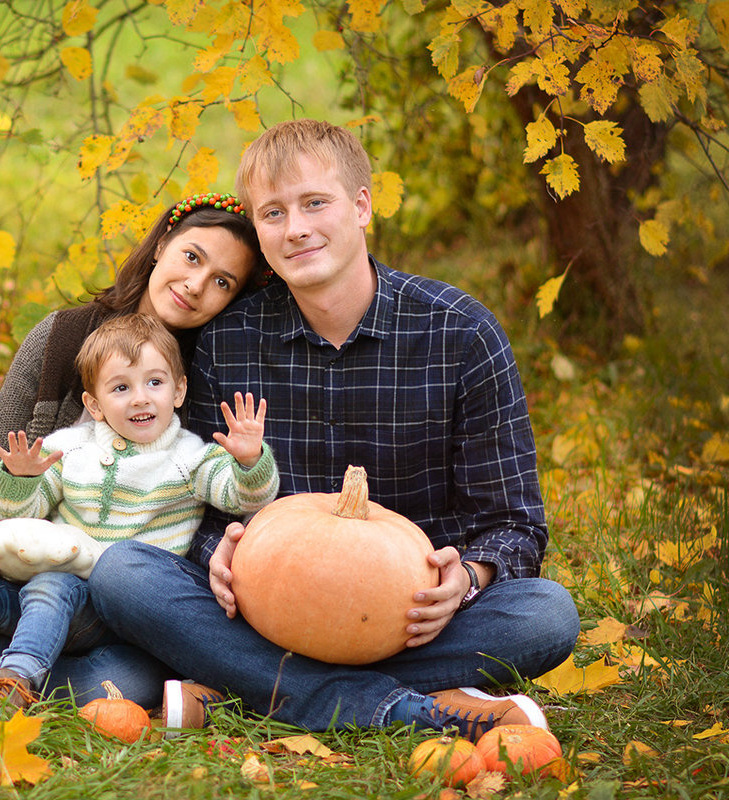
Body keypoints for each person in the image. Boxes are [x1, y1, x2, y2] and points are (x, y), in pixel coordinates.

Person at [86, 120, 581, 741]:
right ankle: (409, 707)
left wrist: (468, 579)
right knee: (123, 574)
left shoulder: (462, 334)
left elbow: (515, 524)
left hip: (409, 617)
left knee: (545, 614)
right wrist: (220, 552)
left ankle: (243, 687)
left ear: (361, 206)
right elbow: (199, 497)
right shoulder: (228, 339)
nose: (295, 229)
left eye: (314, 203)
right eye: (272, 213)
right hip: (264, 611)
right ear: (259, 232)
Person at [0, 192, 269, 709]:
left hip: (113, 606)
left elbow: (222, 493)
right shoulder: (61, 339)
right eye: (192, 257)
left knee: (127, 680)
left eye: (223, 281)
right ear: (161, 246)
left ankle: (4, 677)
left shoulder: (210, 371)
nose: (196, 285)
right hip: (18, 572)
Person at [0, 313, 279, 712]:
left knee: (55, 586)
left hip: (107, 612)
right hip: (35, 599)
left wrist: (250, 460)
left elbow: (240, 496)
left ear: (178, 391)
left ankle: (15, 681)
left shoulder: (190, 458)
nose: (140, 397)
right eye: (121, 387)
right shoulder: (68, 448)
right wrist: (20, 480)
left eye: (154, 383)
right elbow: (19, 511)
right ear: (94, 404)